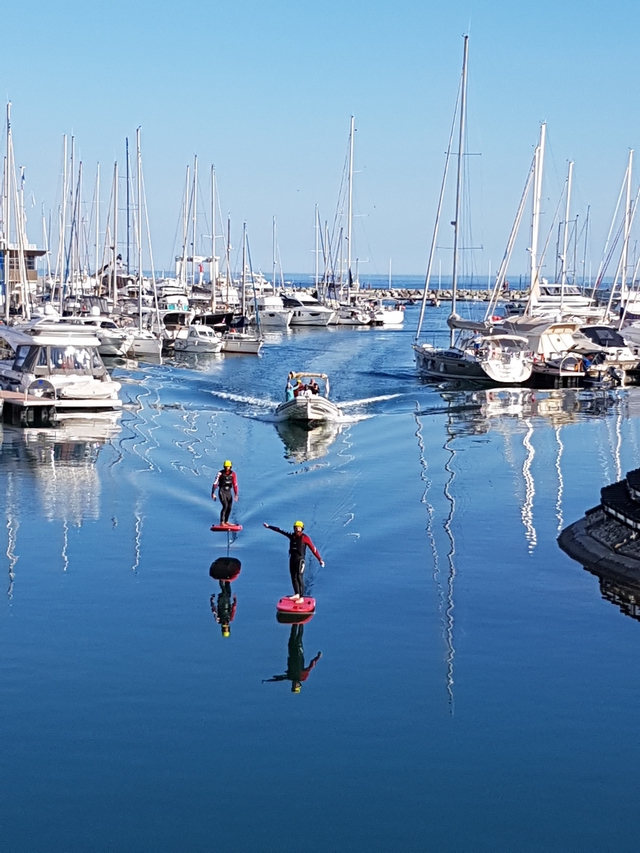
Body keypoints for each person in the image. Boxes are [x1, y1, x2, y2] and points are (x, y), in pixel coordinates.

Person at [263, 519, 324, 602]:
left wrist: (320, 559)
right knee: (293, 577)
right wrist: (269, 526)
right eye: (296, 528)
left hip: (300, 560)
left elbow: (314, 549)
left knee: (299, 577)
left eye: (299, 528)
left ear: (302, 529)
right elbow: (280, 530)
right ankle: (297, 594)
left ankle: (301, 598)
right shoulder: (292, 536)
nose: (297, 530)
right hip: (292, 559)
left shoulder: (305, 538)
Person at [263, 624, 322, 693]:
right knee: (299, 638)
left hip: (291, 653)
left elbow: (280, 678)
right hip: (299, 654)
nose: (295, 684)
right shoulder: (303, 677)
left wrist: (268, 680)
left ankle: (294, 623)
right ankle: (301, 623)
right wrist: (318, 657)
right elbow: (311, 666)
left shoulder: (290, 677)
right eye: (296, 686)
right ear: (299, 685)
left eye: (294, 686)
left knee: (292, 637)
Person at [211, 460, 239, 526]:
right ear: (224, 466)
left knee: (229, 507)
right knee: (225, 506)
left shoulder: (233, 474)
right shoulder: (220, 473)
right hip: (222, 491)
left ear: (230, 467)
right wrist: (213, 493)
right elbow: (215, 483)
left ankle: (226, 521)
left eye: (228, 467)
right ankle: (222, 522)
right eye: (226, 467)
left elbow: (235, 484)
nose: (227, 468)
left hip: (228, 492)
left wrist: (236, 494)